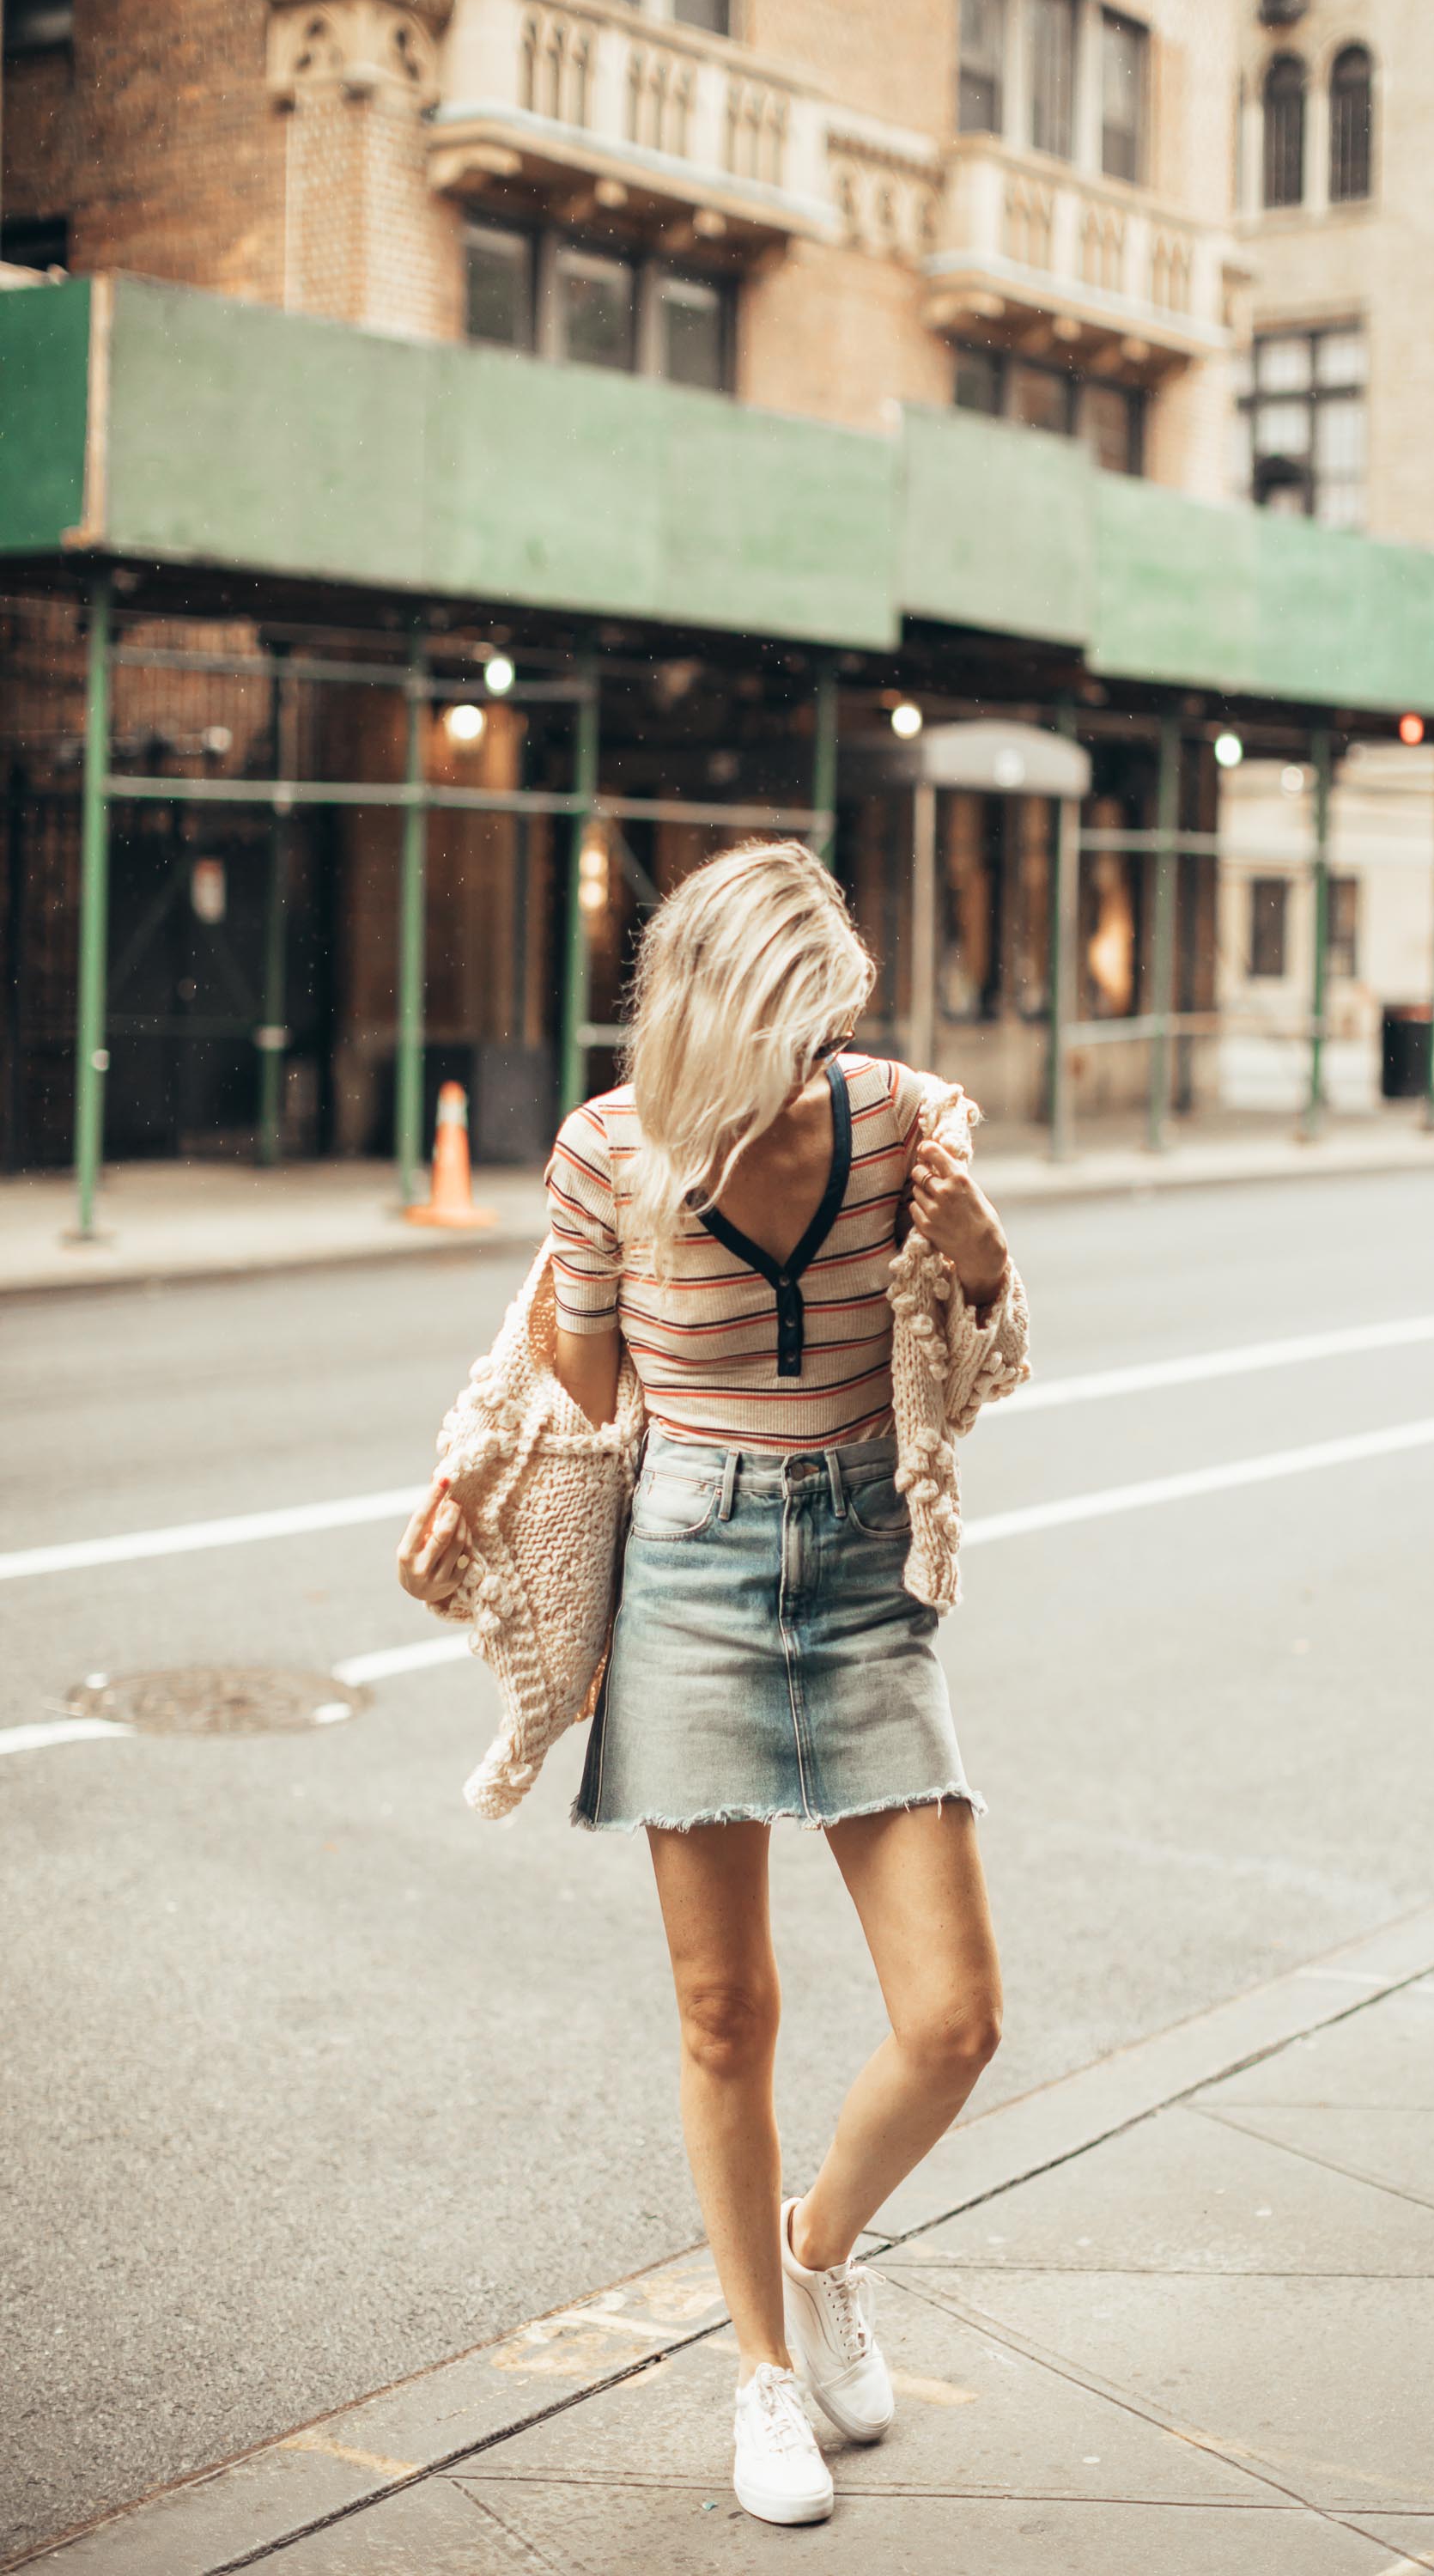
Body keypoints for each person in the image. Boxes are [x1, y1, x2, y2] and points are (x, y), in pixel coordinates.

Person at [397, 840, 1024, 2527]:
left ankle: (822, 2254)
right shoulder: (610, 1150)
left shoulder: (900, 1122)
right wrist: (483, 1439)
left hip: (861, 1571)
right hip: (688, 1567)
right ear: (716, 1009)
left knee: (956, 2016)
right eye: (794, 1022)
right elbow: (577, 1382)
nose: (820, 1058)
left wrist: (971, 1254)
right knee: (723, 2010)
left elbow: (983, 1359)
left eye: (837, 1023)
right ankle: (760, 2373)